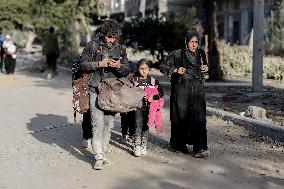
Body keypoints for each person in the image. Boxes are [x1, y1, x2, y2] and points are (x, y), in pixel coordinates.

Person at [80, 19, 129, 170]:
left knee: (108, 124)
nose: (111, 40)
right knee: (97, 123)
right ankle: (98, 156)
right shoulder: (92, 46)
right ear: (103, 34)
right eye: (109, 37)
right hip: (95, 88)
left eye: (114, 37)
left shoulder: (121, 49)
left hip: (112, 91)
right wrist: (99, 64)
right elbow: (83, 64)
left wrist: (119, 66)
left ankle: (104, 152)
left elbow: (127, 69)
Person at [159, 30, 210, 158]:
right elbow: (163, 66)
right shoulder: (177, 54)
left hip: (197, 91)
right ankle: (179, 145)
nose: (194, 44)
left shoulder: (201, 53)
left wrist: (206, 68)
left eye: (196, 42)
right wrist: (175, 70)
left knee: (199, 118)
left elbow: (205, 69)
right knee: (181, 118)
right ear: (186, 41)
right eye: (192, 42)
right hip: (181, 92)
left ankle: (200, 148)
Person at [132, 59, 164, 157]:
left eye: (146, 68)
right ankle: (136, 146)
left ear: (149, 69)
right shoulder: (134, 80)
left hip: (150, 109)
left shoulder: (153, 81)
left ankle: (143, 145)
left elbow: (161, 94)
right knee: (138, 125)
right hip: (137, 107)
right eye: (141, 68)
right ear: (138, 69)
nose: (144, 71)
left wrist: (152, 97)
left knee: (146, 126)